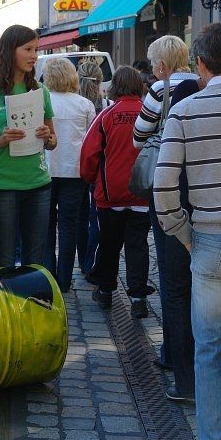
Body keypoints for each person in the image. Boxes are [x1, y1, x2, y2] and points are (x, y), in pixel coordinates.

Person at [154, 23, 221, 440]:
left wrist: (181, 233)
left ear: (201, 64)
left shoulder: (185, 110)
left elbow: (164, 183)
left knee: (209, 345)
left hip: (210, 239)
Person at [133, 35, 198, 368]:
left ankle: (175, 355)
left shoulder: (162, 88)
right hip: (203, 185)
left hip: (170, 184)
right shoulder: (203, 82)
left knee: (174, 279)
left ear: (160, 63)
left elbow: (138, 134)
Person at [81, 66, 154, 318]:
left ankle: (105, 291)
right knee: (138, 245)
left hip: (110, 193)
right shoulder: (149, 113)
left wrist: (91, 180)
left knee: (108, 244)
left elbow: (89, 154)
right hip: (142, 192)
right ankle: (138, 297)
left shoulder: (106, 115)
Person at [0, 24, 56, 267]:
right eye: (28, 49)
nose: (34, 55)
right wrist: (0, 140)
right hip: (1, 184)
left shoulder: (40, 91)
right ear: (10, 51)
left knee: (35, 261)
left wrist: (47, 136)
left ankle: (31, 304)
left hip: (38, 184)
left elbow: (53, 142)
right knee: (3, 260)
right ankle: (6, 305)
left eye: (36, 49)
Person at [43, 58, 95, 291]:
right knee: (69, 225)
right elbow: (90, 141)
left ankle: (49, 274)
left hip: (46, 170)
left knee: (47, 225)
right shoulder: (84, 104)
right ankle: (65, 278)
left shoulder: (43, 102)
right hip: (74, 171)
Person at [76, 61, 109, 278]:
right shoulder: (107, 104)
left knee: (80, 218)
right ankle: (91, 262)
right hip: (101, 169)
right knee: (96, 218)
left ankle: (81, 260)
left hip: (78, 167)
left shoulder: (77, 103)